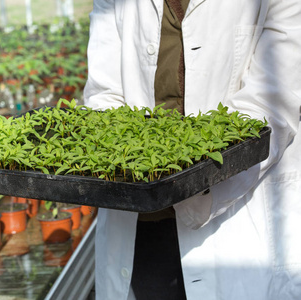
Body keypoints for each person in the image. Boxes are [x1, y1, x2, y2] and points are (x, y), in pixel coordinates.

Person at [83, 0, 301, 299]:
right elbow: (104, 94)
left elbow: (270, 103)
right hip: (140, 222)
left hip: (236, 212)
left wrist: (192, 181)